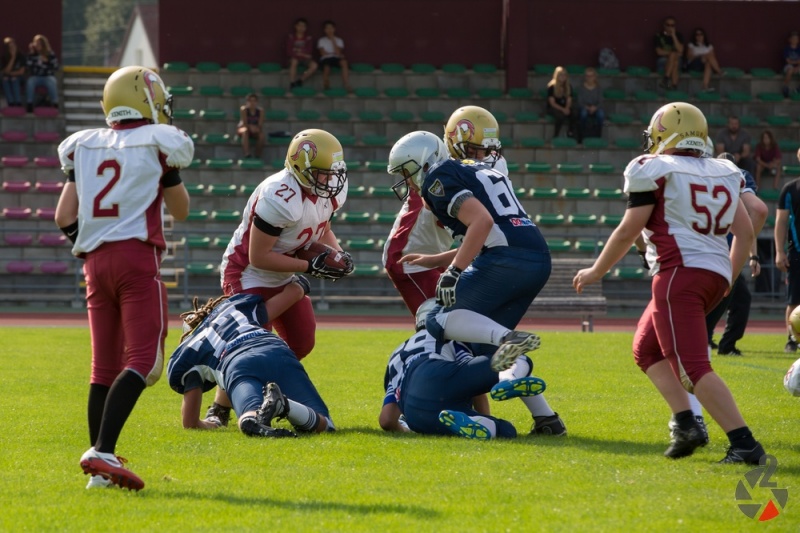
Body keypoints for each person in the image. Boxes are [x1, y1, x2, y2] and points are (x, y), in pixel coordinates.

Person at [573, 101, 767, 465]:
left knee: (693, 367)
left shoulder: (654, 168)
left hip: (678, 273)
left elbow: (629, 230)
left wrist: (596, 270)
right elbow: (745, 232)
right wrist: (728, 276)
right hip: (713, 274)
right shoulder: (724, 170)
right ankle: (686, 423)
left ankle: (744, 443)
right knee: (646, 349)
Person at [54, 66, 193, 490]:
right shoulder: (158, 141)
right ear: (147, 100)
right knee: (144, 362)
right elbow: (181, 210)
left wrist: (97, 241)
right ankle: (101, 451)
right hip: (135, 258)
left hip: (94, 262)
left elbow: (64, 217)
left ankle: (100, 469)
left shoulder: (84, 144)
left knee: (103, 367)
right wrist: (167, 174)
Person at [387, 131, 566, 436]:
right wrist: (436, 259)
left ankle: (511, 338)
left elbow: (482, 223)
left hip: (504, 259)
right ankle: (547, 420)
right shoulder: (475, 168)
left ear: (425, 161)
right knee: (485, 346)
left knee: (437, 317)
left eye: (407, 171)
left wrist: (453, 271)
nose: (407, 180)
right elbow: (490, 232)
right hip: (535, 258)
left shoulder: (437, 177)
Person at [383, 105, 507, 316]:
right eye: (472, 150)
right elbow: (478, 228)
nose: (481, 157)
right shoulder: (439, 170)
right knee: (443, 321)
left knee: (469, 319)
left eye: (486, 150)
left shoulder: (493, 165)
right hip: (410, 259)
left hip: (442, 255)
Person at [168, 289, 334, 438]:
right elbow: (276, 305)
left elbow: (190, 423)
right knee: (325, 424)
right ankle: (285, 405)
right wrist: (299, 287)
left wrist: (213, 423)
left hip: (237, 362)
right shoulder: (236, 308)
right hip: (275, 348)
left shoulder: (192, 348)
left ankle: (264, 412)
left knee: (249, 416)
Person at [380, 299, 546, 439]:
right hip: (434, 373)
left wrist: (407, 429)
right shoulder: (448, 334)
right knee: (518, 356)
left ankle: (481, 423)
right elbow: (473, 385)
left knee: (505, 431)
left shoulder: (396, 355)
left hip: (416, 414)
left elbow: (386, 420)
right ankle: (509, 378)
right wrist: (485, 412)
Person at [706, 153, 768, 356]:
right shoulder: (739, 176)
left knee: (726, 297)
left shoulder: (703, 175)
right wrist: (752, 256)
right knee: (724, 296)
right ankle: (714, 341)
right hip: (726, 252)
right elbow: (755, 214)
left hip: (707, 249)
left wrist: (753, 255)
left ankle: (712, 340)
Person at [774, 147, 800, 353]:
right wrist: (779, 251)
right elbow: (781, 221)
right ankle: (792, 340)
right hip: (796, 253)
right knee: (794, 299)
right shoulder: (790, 189)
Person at [25, 34, 58, 112]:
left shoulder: (50, 54)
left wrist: (47, 61)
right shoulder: (32, 55)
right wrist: (31, 54)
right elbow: (28, 66)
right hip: (36, 76)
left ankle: (55, 103)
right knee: (30, 82)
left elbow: (56, 67)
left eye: (40, 44)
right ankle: (29, 104)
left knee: (52, 82)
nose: (38, 45)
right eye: (36, 43)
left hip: (47, 76)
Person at [545, 66, 578, 140]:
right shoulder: (551, 87)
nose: (563, 77)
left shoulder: (568, 87)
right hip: (554, 107)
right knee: (560, 116)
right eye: (561, 75)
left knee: (575, 113)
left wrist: (567, 108)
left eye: (564, 75)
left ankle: (570, 132)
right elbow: (552, 103)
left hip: (565, 107)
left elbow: (569, 99)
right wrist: (563, 109)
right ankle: (556, 135)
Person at [685, 28, 722, 93]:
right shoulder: (692, 45)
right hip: (694, 63)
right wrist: (700, 56)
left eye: (701, 34)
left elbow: (712, 57)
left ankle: (705, 86)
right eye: (697, 35)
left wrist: (704, 56)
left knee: (708, 64)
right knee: (707, 56)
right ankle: (719, 72)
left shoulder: (709, 46)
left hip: (704, 64)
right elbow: (689, 57)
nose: (699, 36)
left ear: (704, 35)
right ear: (695, 36)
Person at [317, 20, 350, 91]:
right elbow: (323, 53)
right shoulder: (321, 40)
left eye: (331, 28)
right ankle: (326, 84)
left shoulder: (339, 40)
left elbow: (337, 52)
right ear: (324, 30)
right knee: (327, 66)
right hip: (326, 58)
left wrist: (333, 40)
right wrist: (332, 53)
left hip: (336, 58)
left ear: (334, 29)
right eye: (327, 28)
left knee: (344, 63)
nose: (329, 30)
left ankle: (346, 84)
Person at [286, 18, 318, 89]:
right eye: (299, 25)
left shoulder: (308, 38)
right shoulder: (291, 37)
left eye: (303, 26)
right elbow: (289, 51)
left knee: (314, 66)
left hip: (304, 59)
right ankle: (292, 82)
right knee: (294, 61)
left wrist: (297, 51)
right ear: (296, 26)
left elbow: (309, 51)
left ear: (306, 28)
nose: (301, 28)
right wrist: (302, 54)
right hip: (294, 58)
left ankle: (300, 80)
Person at [654, 16, 684, 89]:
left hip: (676, 60)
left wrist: (673, 36)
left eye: (672, 25)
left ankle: (666, 79)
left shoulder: (678, 35)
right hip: (662, 61)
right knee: (674, 57)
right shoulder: (658, 36)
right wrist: (672, 54)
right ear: (664, 25)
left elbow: (680, 50)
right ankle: (674, 86)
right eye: (668, 25)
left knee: (675, 62)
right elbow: (659, 52)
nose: (670, 27)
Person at [576, 67, 604, 141]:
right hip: (584, 107)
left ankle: (598, 136)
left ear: (594, 77)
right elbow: (579, 102)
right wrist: (587, 107)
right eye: (587, 76)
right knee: (583, 114)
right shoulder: (581, 88)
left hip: (596, 107)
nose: (589, 78)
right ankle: (582, 136)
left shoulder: (598, 88)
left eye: (591, 76)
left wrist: (595, 108)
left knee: (601, 115)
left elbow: (601, 101)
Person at [236, 93, 264, 159]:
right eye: (250, 101)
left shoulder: (260, 111)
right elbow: (244, 123)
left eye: (254, 101)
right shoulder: (244, 110)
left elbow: (260, 124)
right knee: (245, 131)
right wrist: (250, 127)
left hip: (255, 129)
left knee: (261, 136)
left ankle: (257, 155)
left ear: (257, 102)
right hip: (243, 128)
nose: (252, 103)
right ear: (247, 102)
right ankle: (247, 153)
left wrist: (256, 128)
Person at [1, 37, 26, 107]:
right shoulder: (4, 57)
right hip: (7, 77)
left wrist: (10, 74)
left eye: (13, 46)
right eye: (10, 48)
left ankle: (18, 102)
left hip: (19, 78)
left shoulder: (21, 56)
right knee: (5, 80)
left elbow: (21, 72)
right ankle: (10, 102)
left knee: (14, 79)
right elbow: (5, 71)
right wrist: (12, 58)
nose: (12, 49)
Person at [782, 30, 800, 98]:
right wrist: (796, 62)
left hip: (798, 66)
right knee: (790, 70)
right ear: (789, 40)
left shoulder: (799, 49)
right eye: (793, 39)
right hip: (788, 66)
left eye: (796, 39)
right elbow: (788, 61)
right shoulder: (786, 49)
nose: (794, 40)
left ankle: (798, 89)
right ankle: (785, 87)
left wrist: (797, 66)